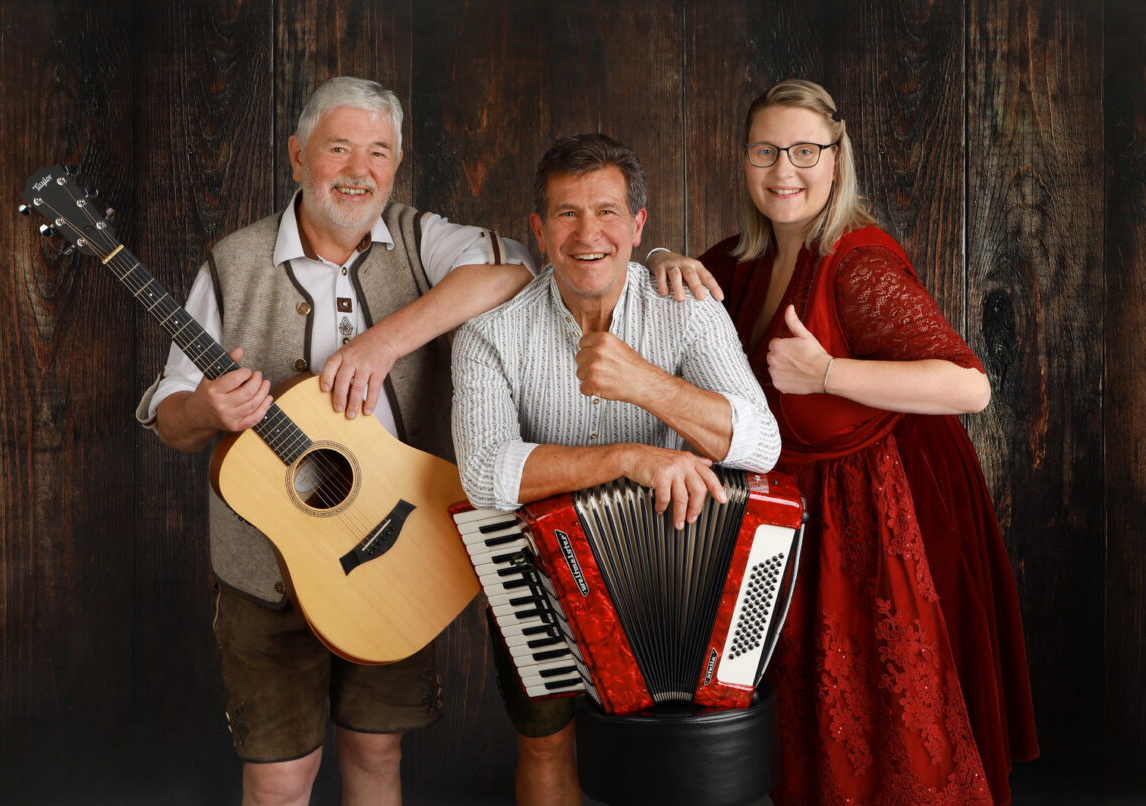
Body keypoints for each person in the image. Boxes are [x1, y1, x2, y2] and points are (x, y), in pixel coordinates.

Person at [134, 76, 540, 806]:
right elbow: (169, 417)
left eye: (378, 152)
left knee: (377, 753)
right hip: (266, 575)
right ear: (297, 156)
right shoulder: (234, 261)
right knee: (279, 781)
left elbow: (512, 273)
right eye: (339, 148)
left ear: (397, 164)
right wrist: (204, 408)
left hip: (397, 550)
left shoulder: (420, 239)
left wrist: (385, 342)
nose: (359, 171)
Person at [648, 78, 1039, 805]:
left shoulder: (857, 264)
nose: (784, 170)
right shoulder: (738, 263)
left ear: (836, 157)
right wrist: (663, 256)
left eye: (805, 151)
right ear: (745, 159)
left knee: (890, 738)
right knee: (812, 741)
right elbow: (664, 307)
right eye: (766, 151)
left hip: (884, 518)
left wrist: (827, 373)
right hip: (796, 523)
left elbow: (970, 387)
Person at [451, 132, 782, 806]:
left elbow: (761, 444)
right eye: (567, 214)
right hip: (538, 577)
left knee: (676, 753)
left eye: (606, 212)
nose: (587, 233)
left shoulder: (688, 311)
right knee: (546, 744)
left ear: (637, 226)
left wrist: (643, 383)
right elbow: (484, 473)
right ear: (540, 231)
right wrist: (629, 458)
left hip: (680, 572)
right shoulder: (489, 334)